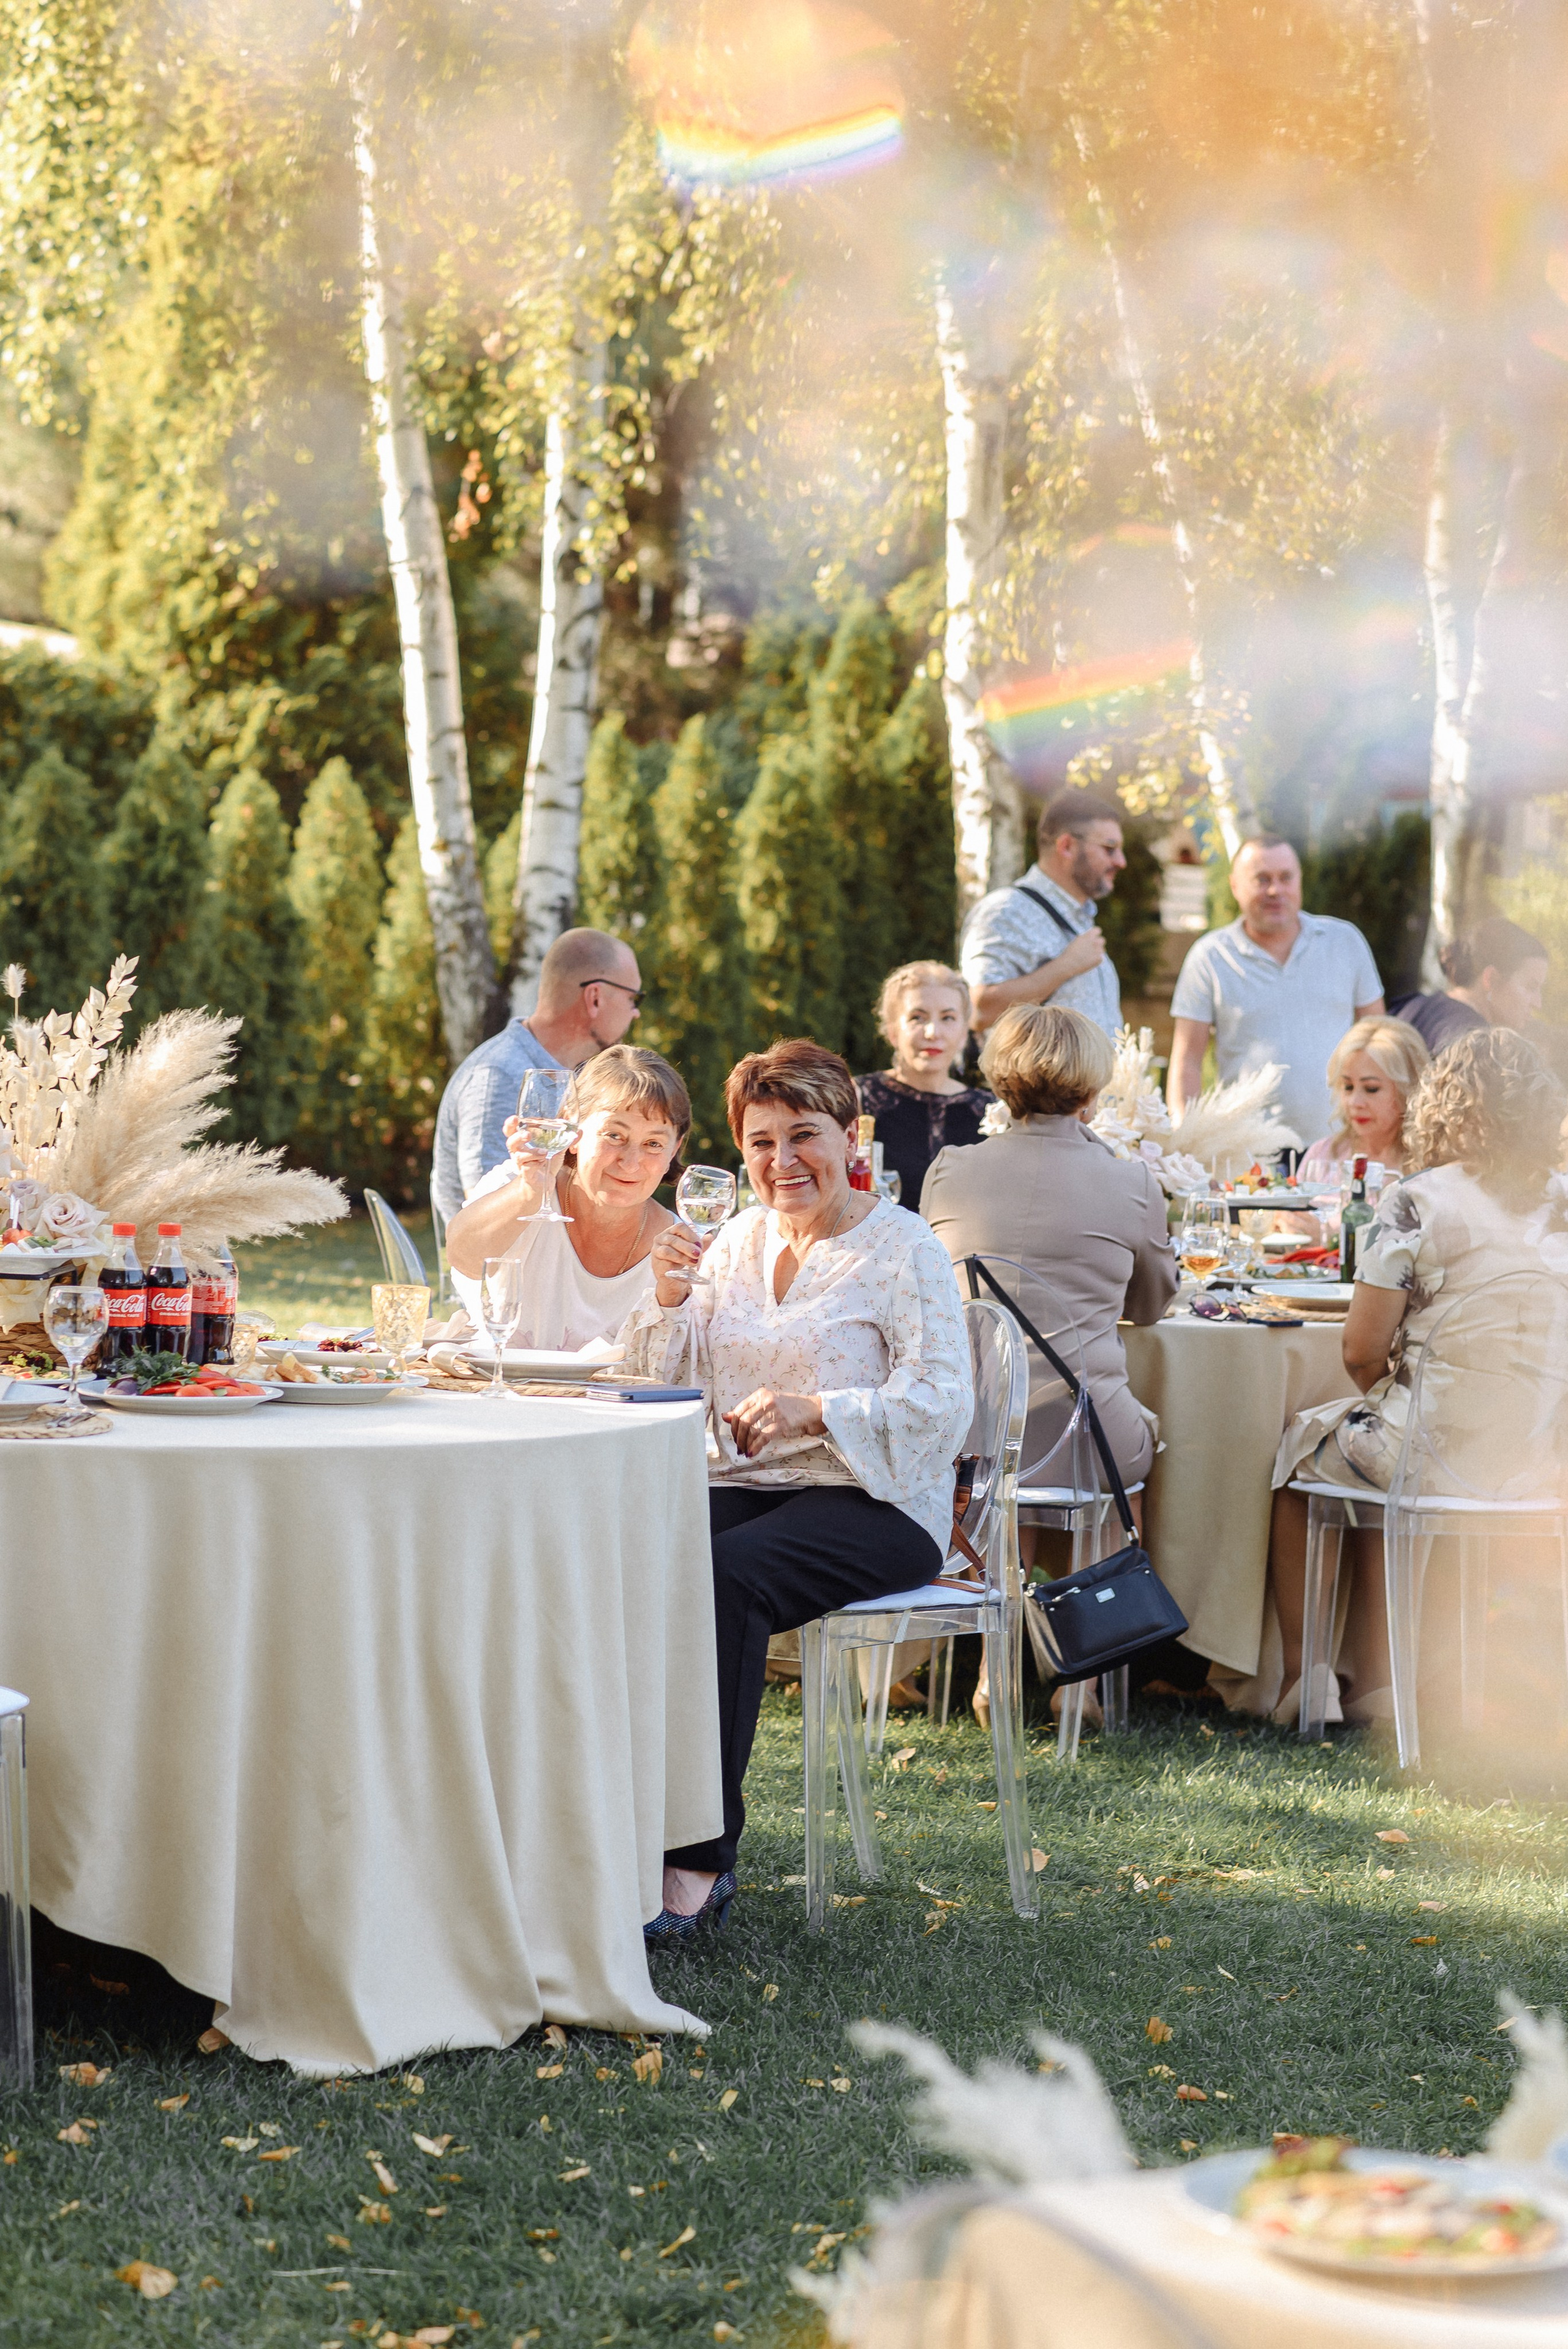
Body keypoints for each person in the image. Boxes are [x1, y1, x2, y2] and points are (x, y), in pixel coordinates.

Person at [620, 1038, 973, 1940]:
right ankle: (606, 1835)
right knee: (622, 1550)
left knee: (728, 1575)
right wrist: (667, 1300)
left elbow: (943, 1402)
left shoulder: (903, 1246)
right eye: (762, 1140)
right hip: (749, 1478)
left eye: (804, 1134)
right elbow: (669, 1380)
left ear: (850, 1135)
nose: (783, 1160)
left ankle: (697, 1862)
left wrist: (816, 1409)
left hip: (879, 1498)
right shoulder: (735, 1239)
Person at [1268, 1028, 1568, 1721]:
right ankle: (1385, 1678)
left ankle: (1305, 1680)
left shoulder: (1417, 1200)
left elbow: (1358, 1351)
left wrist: (1392, 1395)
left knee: (1300, 1458)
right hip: (1538, 1457)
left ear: (1446, 1105)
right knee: (1379, 1449)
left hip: (1433, 1448)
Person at [922, 1004, 1178, 1494]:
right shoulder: (1132, 1182)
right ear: (1091, 1091)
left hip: (969, 1439)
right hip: (1090, 1437)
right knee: (1143, 1450)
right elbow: (1150, 1309)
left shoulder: (948, 1169)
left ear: (1001, 1083)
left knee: (1011, 1482)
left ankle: (998, 1548)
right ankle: (1115, 1548)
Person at [445, 1046, 687, 1346]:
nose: (631, 1162)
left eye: (653, 1144)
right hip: (500, 1377)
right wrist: (529, 1191)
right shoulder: (521, 1185)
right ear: (573, 1131)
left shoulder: (679, 1251)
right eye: (614, 1136)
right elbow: (462, 1258)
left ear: (674, 1150)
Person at [1166, 836, 1384, 1145]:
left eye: (1286, 878)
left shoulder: (1344, 942)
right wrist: (1185, 1137)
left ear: (1300, 881)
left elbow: (1380, 1041)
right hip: (1246, 1149)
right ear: (1235, 886)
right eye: (1262, 879)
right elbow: (1188, 1060)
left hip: (1340, 1144)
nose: (1275, 890)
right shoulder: (1210, 957)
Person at [431, 927, 643, 1226]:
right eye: (634, 999)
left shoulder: (578, 1074)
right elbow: (483, 1212)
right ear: (595, 997)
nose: (635, 1013)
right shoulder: (500, 1075)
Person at [959, 789, 1128, 1038]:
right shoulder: (1005, 911)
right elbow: (979, 1011)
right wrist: (1065, 966)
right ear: (1067, 846)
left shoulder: (1081, 919)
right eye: (1110, 848)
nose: (1121, 862)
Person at [856, 962, 992, 1209]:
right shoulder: (857, 1099)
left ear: (964, 1032)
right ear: (893, 1030)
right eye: (917, 1018)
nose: (932, 1032)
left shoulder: (990, 1113)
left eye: (948, 1018)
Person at [1392, 914, 1549, 1060]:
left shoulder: (1411, 1007)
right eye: (1531, 987)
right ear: (1492, 979)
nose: (1538, 1004)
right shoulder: (1477, 1047)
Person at [1296, 1017, 1431, 1183]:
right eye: (1348, 1087)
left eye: (1371, 1089)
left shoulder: (1430, 1164)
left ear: (1409, 1089)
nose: (1355, 1103)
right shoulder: (1322, 1156)